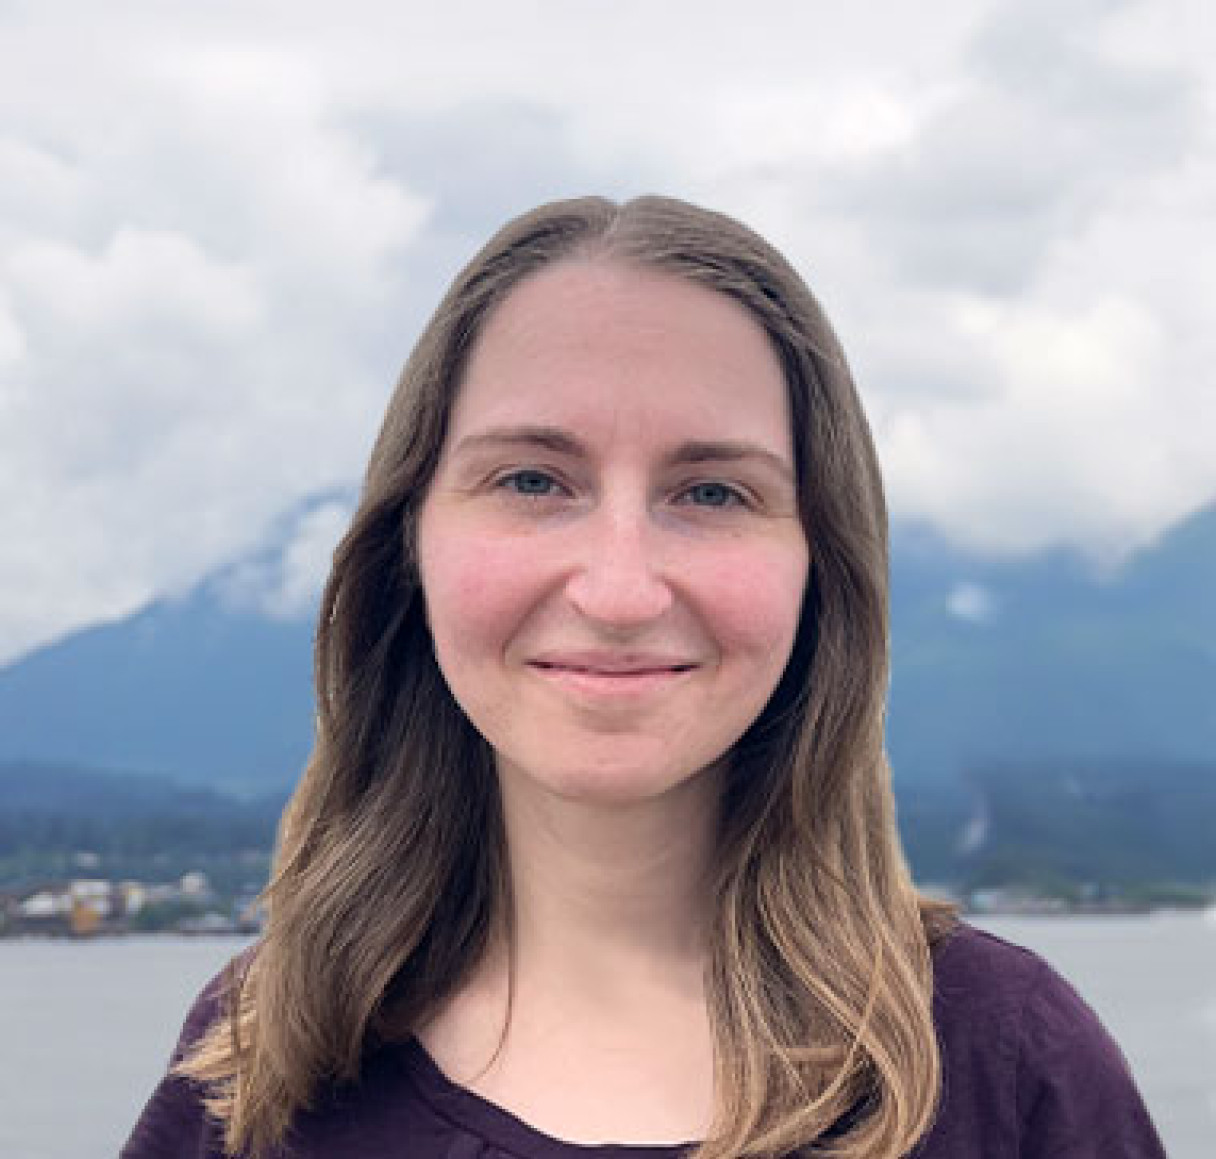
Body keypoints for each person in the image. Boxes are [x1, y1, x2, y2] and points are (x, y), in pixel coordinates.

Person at [122, 196, 1165, 1159]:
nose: (619, 590)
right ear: (411, 544)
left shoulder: (1006, 1069)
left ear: (820, 567)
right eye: (532, 479)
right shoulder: (261, 1068)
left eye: (711, 490)